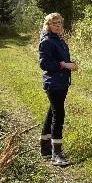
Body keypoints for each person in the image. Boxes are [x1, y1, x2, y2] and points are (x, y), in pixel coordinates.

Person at [38, 12, 77, 166]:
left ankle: (45, 147)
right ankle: (57, 154)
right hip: (53, 83)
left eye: (60, 23)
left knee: (52, 112)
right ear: (48, 25)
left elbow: (62, 60)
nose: (58, 25)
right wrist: (64, 65)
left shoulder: (59, 40)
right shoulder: (47, 41)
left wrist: (71, 64)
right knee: (58, 115)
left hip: (61, 82)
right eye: (54, 23)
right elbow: (44, 64)